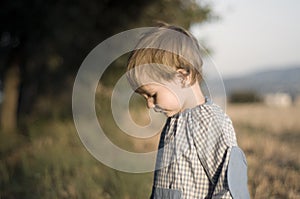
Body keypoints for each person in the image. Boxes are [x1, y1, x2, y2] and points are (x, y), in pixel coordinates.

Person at [126, 23, 250, 199]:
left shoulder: (209, 122)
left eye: (152, 94)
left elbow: (229, 187)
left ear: (182, 77)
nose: (150, 105)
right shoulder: (176, 120)